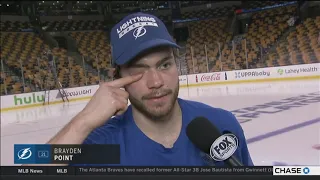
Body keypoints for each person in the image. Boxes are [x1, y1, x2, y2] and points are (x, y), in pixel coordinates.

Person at [33, 12, 254, 166]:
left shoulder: (222, 126)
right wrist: (84, 121)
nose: (156, 82)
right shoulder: (102, 144)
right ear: (117, 79)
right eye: (139, 71)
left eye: (164, 65)